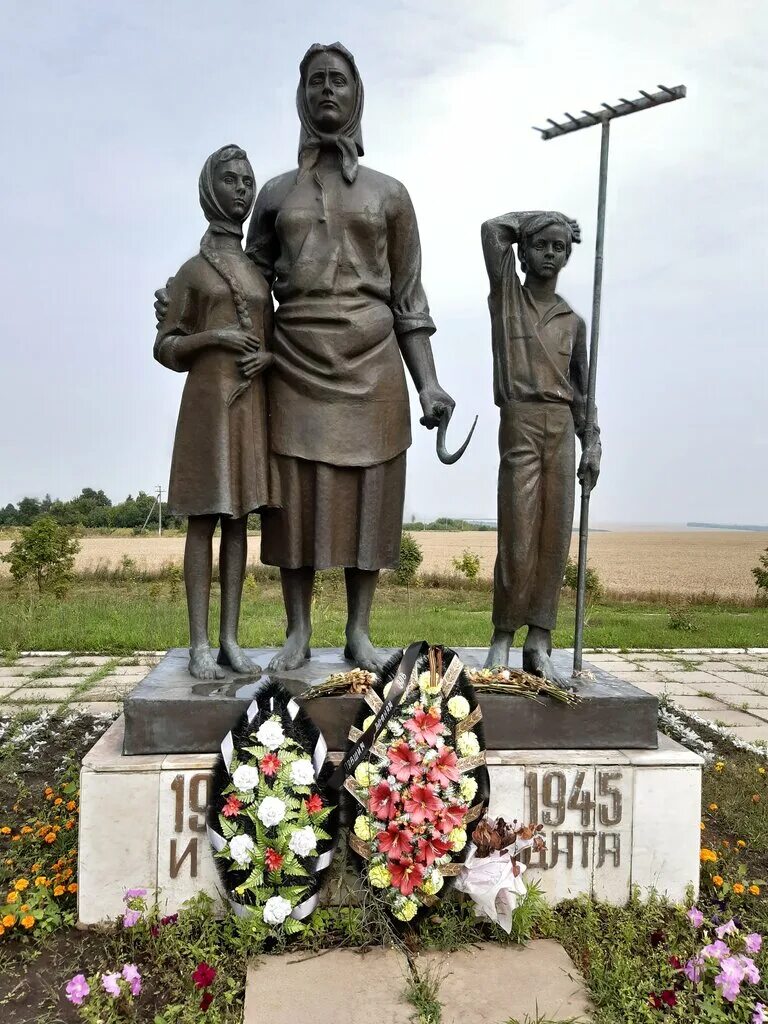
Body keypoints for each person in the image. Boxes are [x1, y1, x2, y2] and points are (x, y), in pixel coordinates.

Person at [245, 42, 454, 672]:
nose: (326, 91)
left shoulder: (391, 195)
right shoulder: (276, 194)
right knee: (295, 502)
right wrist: (191, 312)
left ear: (357, 95)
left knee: (370, 497)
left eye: (337, 80)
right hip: (296, 362)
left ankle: (359, 631)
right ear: (301, 97)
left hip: (372, 363)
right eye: (315, 82)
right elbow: (248, 284)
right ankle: (298, 631)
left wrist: (430, 385)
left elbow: (409, 296)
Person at [154, 145, 277, 681]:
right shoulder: (192, 271)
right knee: (203, 520)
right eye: (230, 180)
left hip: (249, 405)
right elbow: (166, 347)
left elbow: (273, 342)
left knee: (238, 521)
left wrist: (265, 354)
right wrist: (214, 338)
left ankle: (230, 638)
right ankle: (199, 642)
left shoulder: (256, 272)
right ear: (210, 188)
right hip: (207, 407)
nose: (242, 189)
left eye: (248, 181)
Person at [480, 211, 602, 685]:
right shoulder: (506, 295)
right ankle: (503, 635)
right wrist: (543, 219)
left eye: (559, 248)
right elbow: (492, 230)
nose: (550, 254)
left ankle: (540, 639)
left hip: (560, 426)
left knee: (554, 537)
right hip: (521, 420)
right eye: (541, 246)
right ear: (524, 251)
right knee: (518, 532)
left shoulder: (574, 322)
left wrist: (591, 441)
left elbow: (583, 391)